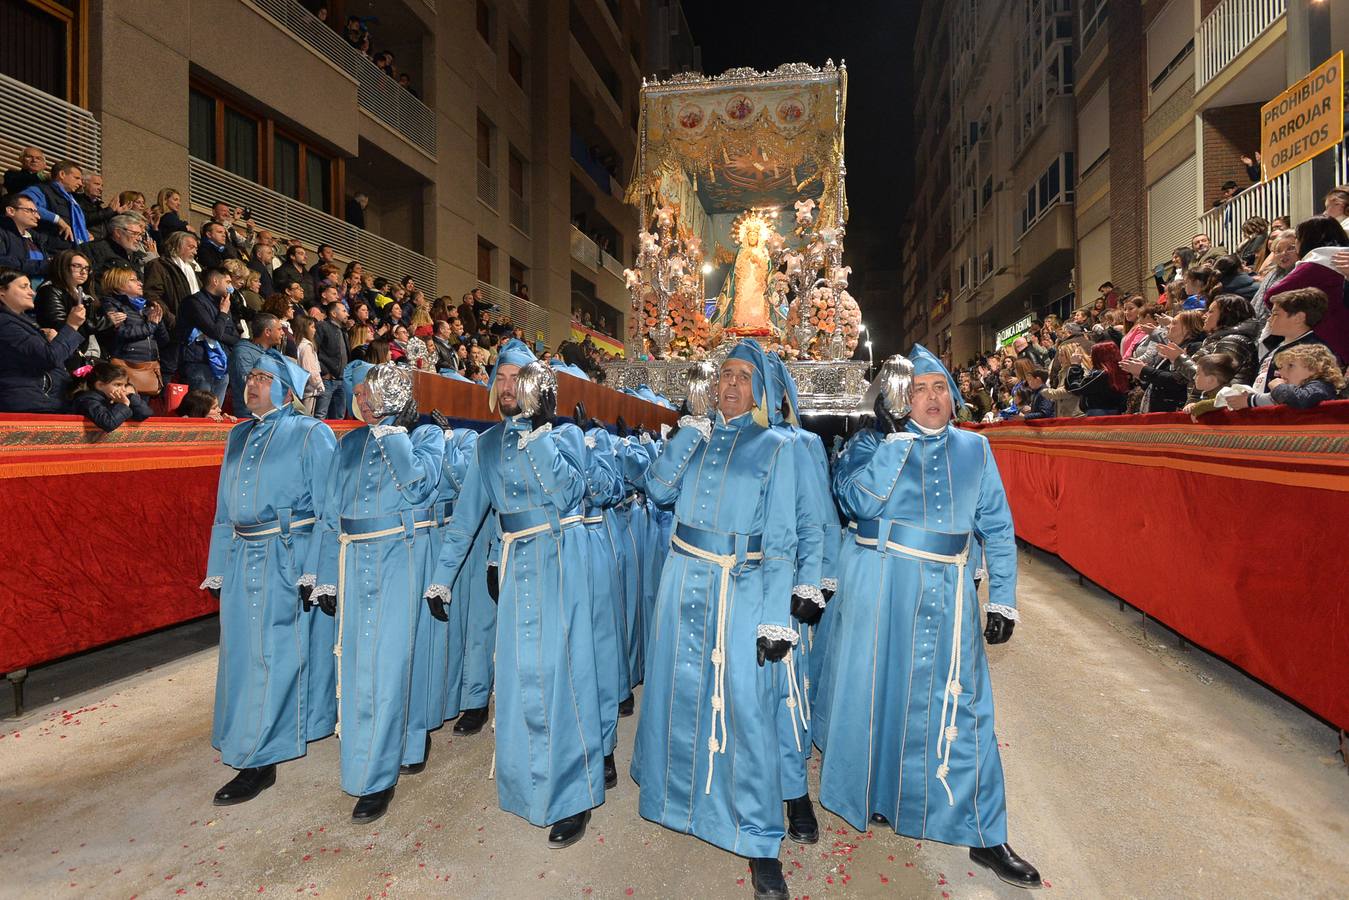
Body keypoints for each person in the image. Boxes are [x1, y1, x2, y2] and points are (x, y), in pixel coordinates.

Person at [819, 346, 1040, 890]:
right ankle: (877, 791)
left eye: (939, 386)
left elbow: (998, 526)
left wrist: (1003, 597)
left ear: (954, 394)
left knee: (965, 708)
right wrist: (896, 444)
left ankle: (987, 833)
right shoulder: (875, 446)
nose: (931, 397)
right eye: (918, 388)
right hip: (882, 583)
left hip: (950, 589)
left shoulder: (976, 448)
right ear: (900, 397)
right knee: (880, 692)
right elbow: (855, 505)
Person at [631, 339, 800, 899]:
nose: (730, 386)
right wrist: (687, 435)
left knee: (746, 710)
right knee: (678, 694)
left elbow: (781, 543)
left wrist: (777, 618)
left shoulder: (777, 446)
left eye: (742, 378)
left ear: (759, 391)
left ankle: (759, 842)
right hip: (682, 578)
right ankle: (671, 802)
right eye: (723, 376)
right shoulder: (693, 438)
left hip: (742, 585)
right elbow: (655, 489)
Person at [422, 340, 605, 848]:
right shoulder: (485, 446)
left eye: (517, 379)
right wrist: (441, 577)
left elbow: (569, 493)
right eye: (500, 378)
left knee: (563, 677)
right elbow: (465, 521)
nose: (506, 388)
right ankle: (528, 786)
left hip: (561, 560)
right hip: (515, 564)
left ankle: (574, 795)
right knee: (521, 677)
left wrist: (538, 431)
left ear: (538, 386)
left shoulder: (564, 434)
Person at [308, 362, 444, 823]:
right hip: (352, 560)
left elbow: (419, 487)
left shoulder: (423, 437)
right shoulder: (346, 444)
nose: (364, 400)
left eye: (375, 392)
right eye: (360, 392)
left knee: (388, 665)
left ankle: (375, 776)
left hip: (398, 558)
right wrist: (323, 573)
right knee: (360, 666)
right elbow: (330, 515)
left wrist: (393, 433)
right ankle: (386, 753)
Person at [201, 349, 338, 806]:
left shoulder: (311, 433)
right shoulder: (237, 435)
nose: (251, 384)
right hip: (242, 556)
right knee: (244, 652)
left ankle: (259, 759)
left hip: (287, 555)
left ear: (286, 388)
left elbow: (327, 510)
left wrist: (316, 570)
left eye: (263, 377)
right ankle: (247, 730)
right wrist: (218, 568)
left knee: (274, 655)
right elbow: (223, 508)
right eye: (249, 377)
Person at [1264, 216, 1349, 363]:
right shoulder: (1344, 256)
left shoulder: (1316, 263)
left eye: (1297, 239)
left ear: (1307, 239)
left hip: (1324, 337)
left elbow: (1273, 296)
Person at [0, 268, 85, 412]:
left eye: (30, 287)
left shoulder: (19, 322)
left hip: (44, 399)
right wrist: (72, 325)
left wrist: (53, 341)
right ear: (2, 292)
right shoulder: (4, 323)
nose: (31, 292)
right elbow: (49, 357)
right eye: (23, 287)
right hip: (29, 404)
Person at [172, 267, 240, 404]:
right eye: (227, 282)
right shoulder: (193, 302)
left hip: (222, 365)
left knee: (216, 413)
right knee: (200, 411)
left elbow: (233, 337)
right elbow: (215, 332)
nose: (230, 287)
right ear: (215, 281)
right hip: (200, 363)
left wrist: (220, 325)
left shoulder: (224, 303)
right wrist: (223, 314)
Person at [98, 266, 168, 391]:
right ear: (117, 283)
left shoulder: (146, 306)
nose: (140, 283)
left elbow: (163, 340)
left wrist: (158, 320)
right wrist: (151, 325)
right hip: (125, 365)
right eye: (133, 280)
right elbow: (122, 333)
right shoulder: (110, 304)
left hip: (149, 366)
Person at [1123, 310, 1205, 413]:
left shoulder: (1194, 347)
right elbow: (1155, 383)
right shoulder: (1173, 347)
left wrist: (1145, 370)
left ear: (1188, 328)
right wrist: (1140, 374)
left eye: (1174, 323)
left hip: (1175, 410)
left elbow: (1178, 380)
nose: (1169, 326)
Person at [35, 250, 97, 350]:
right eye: (77, 266)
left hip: (81, 347)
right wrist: (103, 323)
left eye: (86, 268)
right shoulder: (49, 290)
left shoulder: (83, 293)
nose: (83, 272)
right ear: (63, 266)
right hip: (63, 348)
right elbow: (58, 326)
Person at [1251, 344, 1344, 409]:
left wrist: (1278, 387)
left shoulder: (1321, 386)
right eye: (1280, 367)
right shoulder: (1296, 390)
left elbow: (1301, 399)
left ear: (1315, 368)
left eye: (1290, 366)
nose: (1280, 372)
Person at [69, 360, 153, 431]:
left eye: (124, 385)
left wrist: (130, 397)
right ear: (100, 385)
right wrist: (123, 405)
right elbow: (108, 423)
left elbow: (145, 413)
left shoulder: (114, 399)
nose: (123, 389)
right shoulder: (87, 400)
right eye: (118, 385)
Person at [142, 230, 200, 331]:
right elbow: (152, 295)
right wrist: (173, 320)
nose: (195, 252)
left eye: (196, 248)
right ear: (176, 246)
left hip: (195, 326)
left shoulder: (193, 270)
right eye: (191, 247)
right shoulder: (158, 265)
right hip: (174, 327)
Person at [21, 159, 87, 247]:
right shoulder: (42, 190)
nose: (80, 183)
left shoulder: (72, 200)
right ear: (62, 174)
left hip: (70, 249)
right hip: (49, 250)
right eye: (77, 178)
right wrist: (57, 219)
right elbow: (22, 204)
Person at [227, 313, 285, 410]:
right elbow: (247, 385)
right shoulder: (243, 353)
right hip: (251, 415)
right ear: (267, 332)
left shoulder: (272, 354)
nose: (282, 333)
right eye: (279, 329)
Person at [1066, 341, 1130, 416]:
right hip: (1116, 411)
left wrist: (1075, 366)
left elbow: (1076, 388)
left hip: (1098, 412)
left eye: (1092, 354)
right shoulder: (1122, 371)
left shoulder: (1100, 374)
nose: (1090, 357)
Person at [83, 213, 151, 280]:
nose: (139, 239)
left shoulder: (136, 255)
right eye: (134, 233)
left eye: (140, 235)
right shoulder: (97, 250)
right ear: (118, 232)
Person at [1, 193, 52, 277]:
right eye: (31, 211)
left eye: (36, 212)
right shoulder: (3, 233)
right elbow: (3, 262)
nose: (38, 217)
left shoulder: (37, 239)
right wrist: (43, 265)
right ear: (11, 211)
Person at [314, 301, 350, 418]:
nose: (347, 314)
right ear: (334, 313)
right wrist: (324, 371)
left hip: (341, 380)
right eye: (344, 311)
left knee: (339, 417)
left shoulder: (343, 331)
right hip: (327, 380)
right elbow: (315, 350)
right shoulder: (322, 326)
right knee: (321, 414)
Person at [293, 315, 324, 415]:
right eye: (312, 327)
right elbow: (310, 369)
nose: (314, 330)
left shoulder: (299, 344)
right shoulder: (306, 346)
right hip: (309, 390)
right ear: (305, 329)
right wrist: (318, 384)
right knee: (307, 417)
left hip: (303, 389)